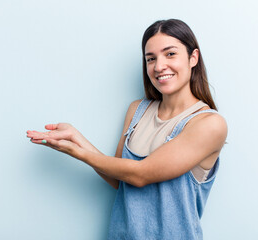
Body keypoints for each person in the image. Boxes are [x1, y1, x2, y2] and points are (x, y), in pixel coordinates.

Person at [27, 19, 227, 240]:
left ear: (193, 58)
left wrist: (78, 153)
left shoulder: (209, 124)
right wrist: (76, 138)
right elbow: (121, 179)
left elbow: (140, 175)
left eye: (170, 54)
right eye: (151, 59)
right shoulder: (137, 111)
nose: (159, 66)